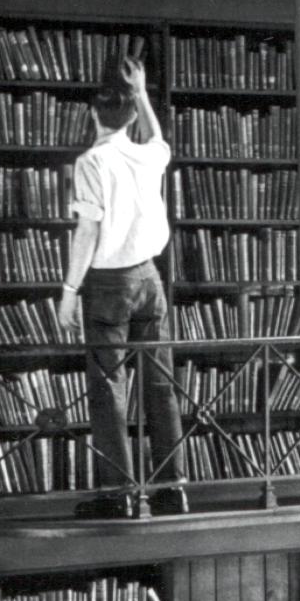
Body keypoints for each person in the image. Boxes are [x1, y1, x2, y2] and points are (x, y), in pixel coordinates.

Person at [54, 50, 187, 518]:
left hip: (109, 285)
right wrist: (143, 91)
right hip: (151, 278)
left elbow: (87, 232)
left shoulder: (91, 161)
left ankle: (120, 496)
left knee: (109, 387)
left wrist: (69, 292)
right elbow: (157, 136)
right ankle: (173, 489)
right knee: (160, 383)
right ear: (132, 115)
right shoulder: (149, 156)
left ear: (93, 115)